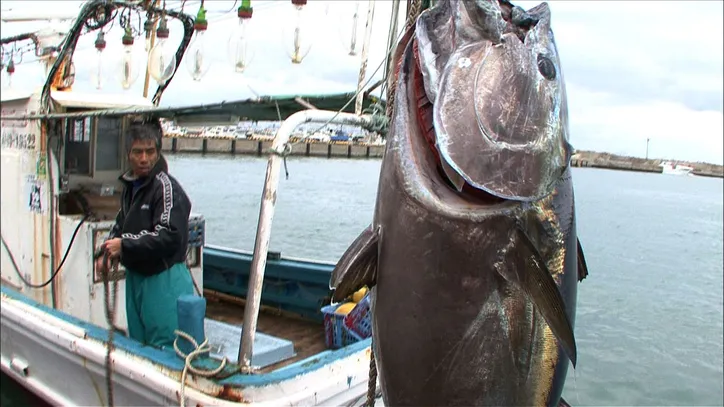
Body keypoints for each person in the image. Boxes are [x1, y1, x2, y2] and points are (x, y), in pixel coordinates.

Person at [96, 118, 194, 349]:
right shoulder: (131, 188)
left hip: (164, 280)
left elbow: (170, 235)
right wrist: (105, 254)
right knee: (139, 343)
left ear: (158, 153)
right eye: (138, 152)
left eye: (150, 152)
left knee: (168, 347)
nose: (144, 159)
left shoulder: (166, 188)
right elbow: (122, 223)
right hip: (136, 278)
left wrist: (125, 246)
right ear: (128, 154)